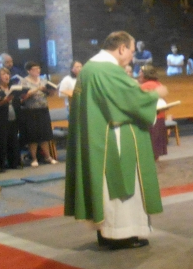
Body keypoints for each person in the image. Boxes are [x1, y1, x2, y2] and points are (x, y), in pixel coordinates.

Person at [65, 31, 166, 250]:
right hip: (114, 138)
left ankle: (106, 231)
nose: (132, 55)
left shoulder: (90, 67)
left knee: (105, 189)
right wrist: (156, 94)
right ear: (121, 48)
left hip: (97, 136)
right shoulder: (107, 70)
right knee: (119, 185)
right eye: (131, 50)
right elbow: (132, 99)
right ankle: (121, 234)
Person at [18, 62, 58, 167]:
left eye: (39, 68)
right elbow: (23, 97)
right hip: (30, 111)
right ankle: (34, 158)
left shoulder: (44, 80)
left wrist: (51, 91)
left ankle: (48, 157)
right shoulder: (24, 81)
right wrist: (37, 89)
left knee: (44, 135)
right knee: (33, 136)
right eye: (35, 69)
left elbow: (49, 94)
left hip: (43, 109)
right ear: (29, 71)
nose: (38, 71)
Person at [0, 68, 21, 173]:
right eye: (3, 74)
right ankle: (0, 165)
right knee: (1, 142)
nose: (6, 76)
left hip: (13, 117)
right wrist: (6, 100)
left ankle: (14, 163)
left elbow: (18, 102)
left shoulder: (13, 87)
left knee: (13, 140)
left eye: (8, 74)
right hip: (0, 118)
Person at [138, 65, 169, 160]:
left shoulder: (146, 86)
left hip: (151, 120)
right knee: (156, 150)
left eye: (140, 73)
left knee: (150, 149)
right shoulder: (158, 84)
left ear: (144, 75)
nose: (138, 75)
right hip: (160, 118)